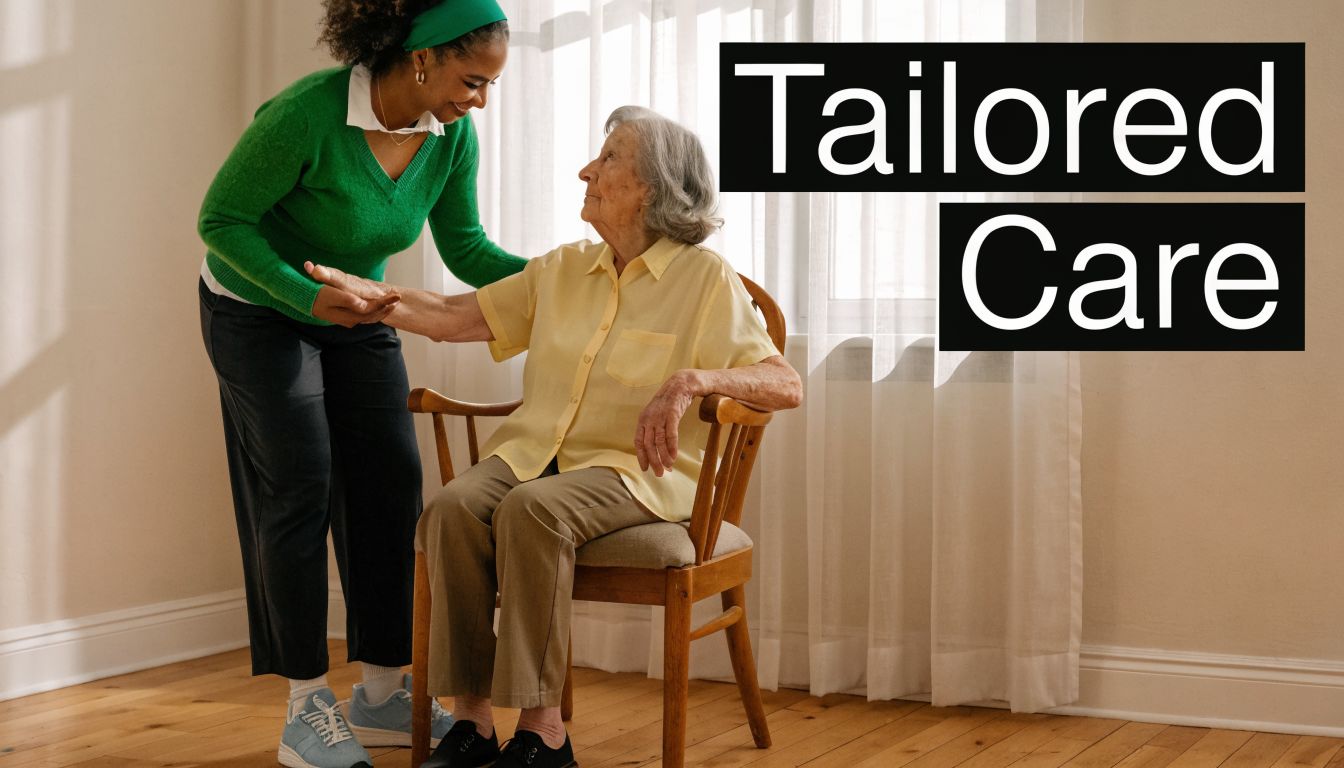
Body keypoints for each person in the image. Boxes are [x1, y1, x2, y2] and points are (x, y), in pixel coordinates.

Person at [306, 105, 803, 768]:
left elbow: (784, 384)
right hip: (535, 452)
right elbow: (456, 317)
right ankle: (475, 723)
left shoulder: (703, 280)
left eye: (608, 161)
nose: (586, 171)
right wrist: (371, 291)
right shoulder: (564, 268)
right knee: (451, 509)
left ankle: (544, 734)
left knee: (532, 509)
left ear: (651, 188)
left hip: (634, 473)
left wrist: (692, 379)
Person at [196, 1, 524, 766]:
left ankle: (381, 691)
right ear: (422, 58)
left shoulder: (451, 138)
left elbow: (469, 251)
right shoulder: (307, 114)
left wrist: (576, 277)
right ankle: (305, 705)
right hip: (256, 312)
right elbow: (222, 222)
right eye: (472, 81)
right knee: (299, 482)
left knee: (389, 482)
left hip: (359, 312)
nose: (479, 101)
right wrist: (308, 297)